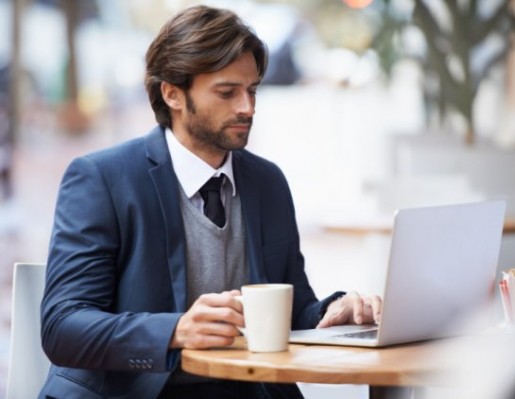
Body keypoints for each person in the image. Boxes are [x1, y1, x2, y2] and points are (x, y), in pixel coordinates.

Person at [39, 5, 381, 399]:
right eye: (227, 92)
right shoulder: (102, 179)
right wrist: (175, 331)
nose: (247, 108)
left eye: (252, 90)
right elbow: (63, 327)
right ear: (172, 93)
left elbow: (290, 311)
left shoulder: (267, 182)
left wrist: (335, 311)